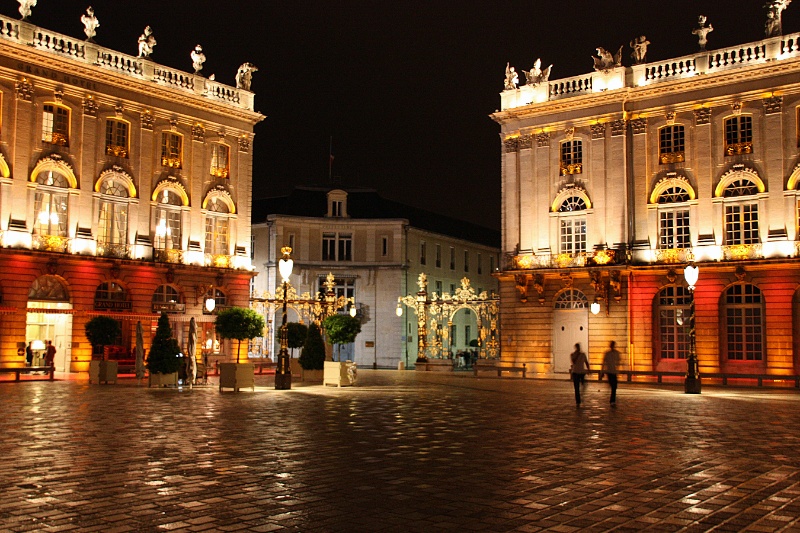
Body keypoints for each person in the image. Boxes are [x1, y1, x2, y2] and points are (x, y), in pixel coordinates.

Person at [599, 341, 621, 406]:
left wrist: (602, 372)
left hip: (613, 372)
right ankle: (612, 400)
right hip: (610, 372)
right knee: (613, 386)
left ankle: (612, 400)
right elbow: (604, 363)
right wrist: (602, 371)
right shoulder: (609, 353)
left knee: (614, 387)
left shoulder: (610, 353)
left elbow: (618, 363)